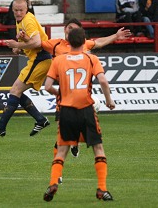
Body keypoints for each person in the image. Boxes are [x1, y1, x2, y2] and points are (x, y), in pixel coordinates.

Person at [42, 27, 115, 202]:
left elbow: (47, 86)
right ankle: (102, 189)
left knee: (61, 151)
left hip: (66, 110)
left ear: (69, 41)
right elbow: (103, 81)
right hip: (86, 110)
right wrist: (109, 100)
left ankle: (53, 183)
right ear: (84, 42)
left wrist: (59, 94)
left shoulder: (58, 60)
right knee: (98, 148)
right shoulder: (91, 58)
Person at [0, 0, 51, 137]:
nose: (19, 13)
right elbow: (31, 42)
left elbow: (37, 42)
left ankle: (1, 128)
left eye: (21, 10)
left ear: (27, 10)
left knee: (15, 90)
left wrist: (17, 45)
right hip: (37, 59)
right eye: (16, 10)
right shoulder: (21, 21)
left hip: (40, 59)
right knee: (15, 91)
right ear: (12, 10)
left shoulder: (28, 20)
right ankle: (40, 120)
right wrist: (20, 45)